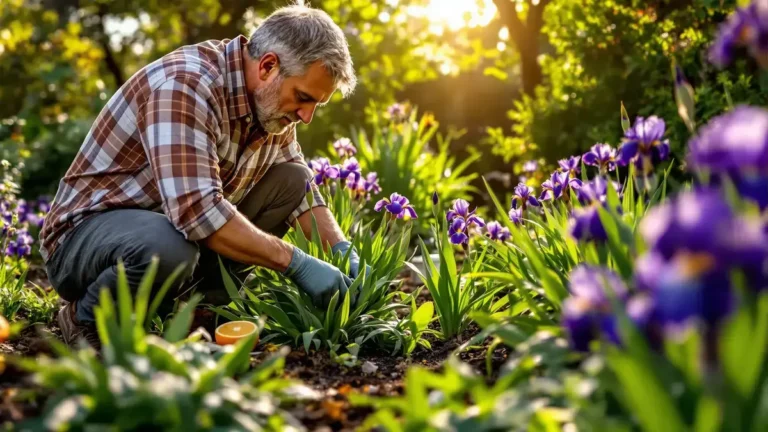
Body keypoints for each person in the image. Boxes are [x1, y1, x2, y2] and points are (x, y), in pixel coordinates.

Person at [39, 4, 361, 350]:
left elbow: (301, 192)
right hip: (85, 241)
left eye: (316, 104)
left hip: (166, 232)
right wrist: (295, 263)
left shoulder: (271, 106)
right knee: (167, 246)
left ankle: (200, 311)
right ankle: (85, 317)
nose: (307, 116)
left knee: (291, 179)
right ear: (268, 66)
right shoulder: (186, 86)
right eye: (303, 98)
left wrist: (343, 253)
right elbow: (197, 214)